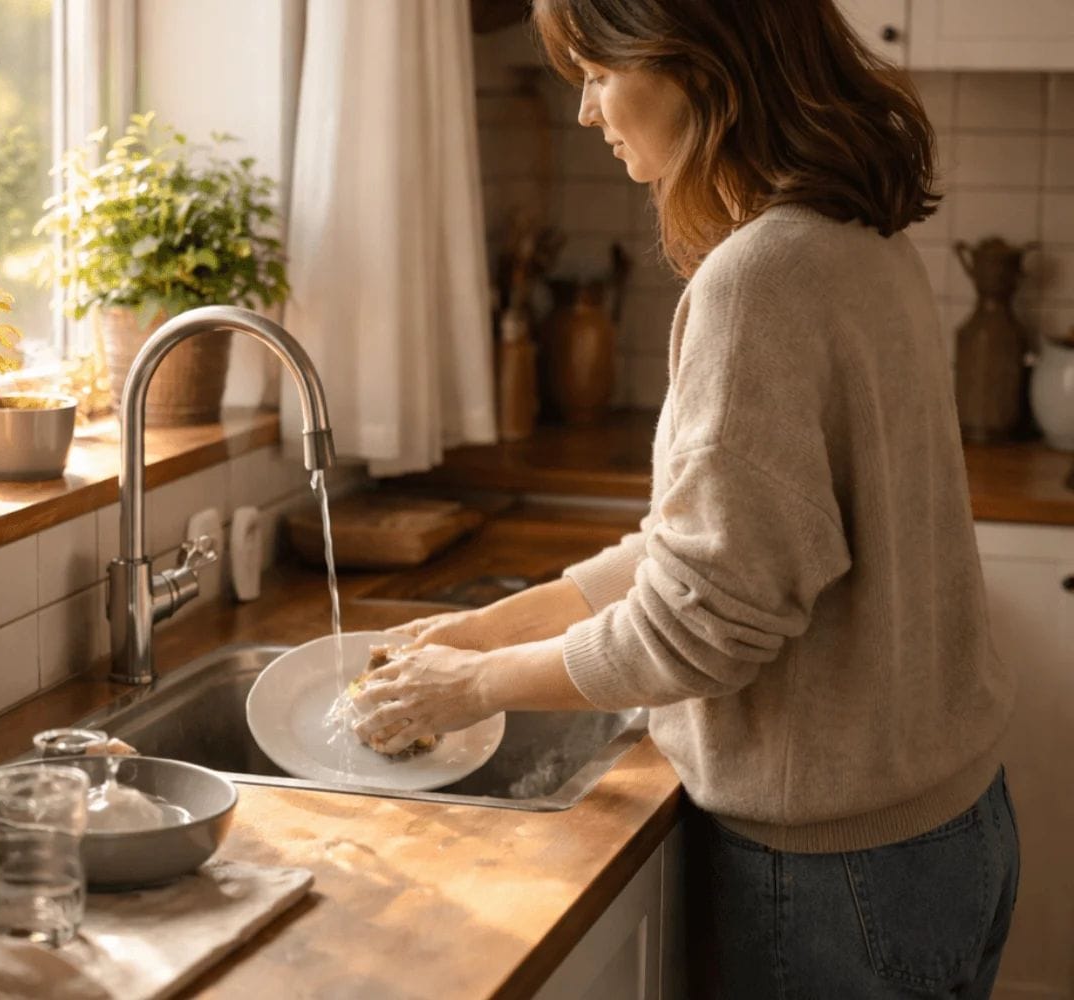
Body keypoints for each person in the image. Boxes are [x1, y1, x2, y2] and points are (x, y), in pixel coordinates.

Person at [350, 1, 1020, 995]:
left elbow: (695, 629)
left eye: (596, 72)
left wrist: (471, 689)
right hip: (947, 835)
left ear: (696, 67)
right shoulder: (853, 237)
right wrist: (484, 632)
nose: (586, 111)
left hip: (834, 885)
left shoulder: (759, 281)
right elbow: (708, 549)